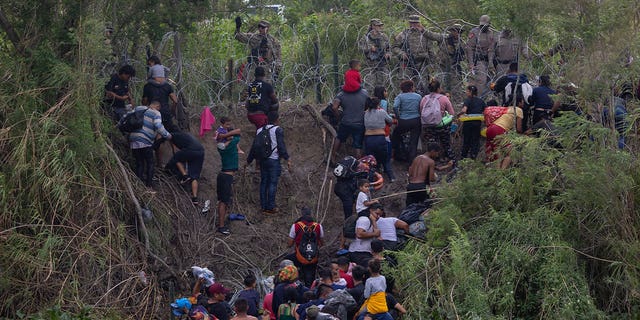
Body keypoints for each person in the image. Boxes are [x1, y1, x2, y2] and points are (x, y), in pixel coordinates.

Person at [247, 112, 291, 214]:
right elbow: (281, 146)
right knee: (272, 183)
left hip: (263, 160)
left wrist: (249, 160)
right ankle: (270, 207)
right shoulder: (278, 130)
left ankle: (263, 206)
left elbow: (254, 147)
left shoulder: (259, 130)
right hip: (273, 160)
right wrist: (287, 158)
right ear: (277, 120)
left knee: (264, 183)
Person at [392, 15, 444, 94]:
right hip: (407, 64)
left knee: (423, 86)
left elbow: (430, 51)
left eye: (416, 23)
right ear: (409, 23)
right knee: (406, 86)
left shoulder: (425, 34)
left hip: (422, 64)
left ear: (419, 23)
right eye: (412, 23)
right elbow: (394, 47)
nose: (414, 25)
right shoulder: (403, 34)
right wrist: (401, 53)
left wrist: (432, 65)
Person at [128, 100, 172, 187]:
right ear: (158, 107)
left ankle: (138, 185)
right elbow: (158, 126)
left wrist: (118, 126)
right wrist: (168, 135)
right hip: (145, 141)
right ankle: (149, 185)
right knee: (150, 163)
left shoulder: (138, 108)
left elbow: (126, 116)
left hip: (133, 139)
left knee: (139, 162)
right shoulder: (156, 113)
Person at [235, 18, 282, 84]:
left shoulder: (273, 41)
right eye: (259, 26)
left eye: (263, 27)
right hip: (254, 67)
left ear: (267, 28)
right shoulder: (253, 37)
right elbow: (238, 36)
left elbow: (278, 56)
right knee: (252, 88)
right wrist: (238, 27)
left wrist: (277, 71)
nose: (260, 29)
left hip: (266, 68)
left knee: (265, 89)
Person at [331, 83, 369, 162]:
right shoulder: (364, 93)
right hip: (359, 123)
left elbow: (334, 107)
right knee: (358, 145)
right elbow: (367, 105)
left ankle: (333, 158)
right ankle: (358, 164)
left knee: (339, 138)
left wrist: (339, 117)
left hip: (346, 122)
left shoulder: (341, 94)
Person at [287, 207, 324, 287]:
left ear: (302, 215)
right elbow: (321, 243)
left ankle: (293, 279)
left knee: (287, 260)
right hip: (314, 258)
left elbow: (289, 244)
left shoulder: (296, 226)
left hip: (299, 257)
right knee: (311, 277)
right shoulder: (318, 226)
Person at [420, 79, 455, 161]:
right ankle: (452, 162)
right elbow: (451, 113)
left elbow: (421, 111)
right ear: (439, 88)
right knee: (446, 144)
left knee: (431, 146)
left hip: (428, 126)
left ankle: (431, 163)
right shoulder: (444, 98)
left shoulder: (424, 99)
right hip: (441, 125)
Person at [166, 132, 205, 205]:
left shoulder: (172, 135)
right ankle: (195, 198)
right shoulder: (186, 136)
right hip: (201, 151)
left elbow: (174, 150)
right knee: (194, 176)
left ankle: (185, 176)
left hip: (192, 150)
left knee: (176, 158)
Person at [485, 95, 524, 168]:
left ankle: (496, 172)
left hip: (490, 129)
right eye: (522, 101)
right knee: (511, 153)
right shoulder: (519, 110)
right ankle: (502, 172)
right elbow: (519, 129)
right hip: (499, 129)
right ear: (519, 103)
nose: (523, 103)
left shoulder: (507, 109)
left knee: (497, 152)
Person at [216, 125, 241, 235]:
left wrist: (223, 136)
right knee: (224, 202)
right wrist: (227, 136)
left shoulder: (220, 147)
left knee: (223, 201)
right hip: (226, 177)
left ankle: (222, 223)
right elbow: (239, 131)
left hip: (222, 175)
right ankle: (221, 226)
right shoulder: (233, 144)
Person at [364, 97, 395, 181]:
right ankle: (391, 177)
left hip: (369, 139)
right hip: (380, 138)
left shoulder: (366, 113)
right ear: (378, 104)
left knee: (370, 160)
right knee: (385, 159)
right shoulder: (382, 112)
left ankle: (370, 180)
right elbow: (390, 120)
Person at [141, 64, 179, 132]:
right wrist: (172, 112)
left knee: (153, 136)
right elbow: (175, 101)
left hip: (152, 114)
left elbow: (144, 102)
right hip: (166, 114)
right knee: (170, 135)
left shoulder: (147, 86)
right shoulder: (167, 86)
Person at [391, 80, 422, 163]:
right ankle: (411, 163)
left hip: (404, 120)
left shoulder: (400, 97)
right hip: (416, 120)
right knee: (414, 142)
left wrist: (398, 116)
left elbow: (395, 106)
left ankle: (398, 154)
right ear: (411, 87)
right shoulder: (418, 96)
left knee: (396, 134)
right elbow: (421, 107)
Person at [466, 15, 496, 95]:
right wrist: (471, 63)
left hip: (487, 60)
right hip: (478, 60)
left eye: (485, 25)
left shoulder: (491, 33)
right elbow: (469, 48)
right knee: (480, 81)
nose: (483, 27)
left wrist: (490, 63)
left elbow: (491, 49)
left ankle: (482, 98)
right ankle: (477, 98)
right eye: (482, 25)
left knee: (488, 82)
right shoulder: (474, 32)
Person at [358, 19, 391, 90]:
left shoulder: (384, 36)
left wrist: (388, 54)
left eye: (380, 26)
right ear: (373, 26)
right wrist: (370, 48)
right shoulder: (366, 37)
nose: (380, 27)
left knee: (382, 85)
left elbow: (389, 48)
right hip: (370, 64)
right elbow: (360, 48)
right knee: (369, 85)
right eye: (378, 26)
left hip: (382, 64)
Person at [457, 85, 487, 159]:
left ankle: (463, 158)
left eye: (467, 91)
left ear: (470, 92)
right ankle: (473, 158)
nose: (466, 92)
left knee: (466, 141)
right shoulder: (481, 101)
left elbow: (464, 110)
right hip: (477, 124)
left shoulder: (468, 100)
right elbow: (486, 111)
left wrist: (458, 114)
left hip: (468, 124)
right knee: (475, 141)